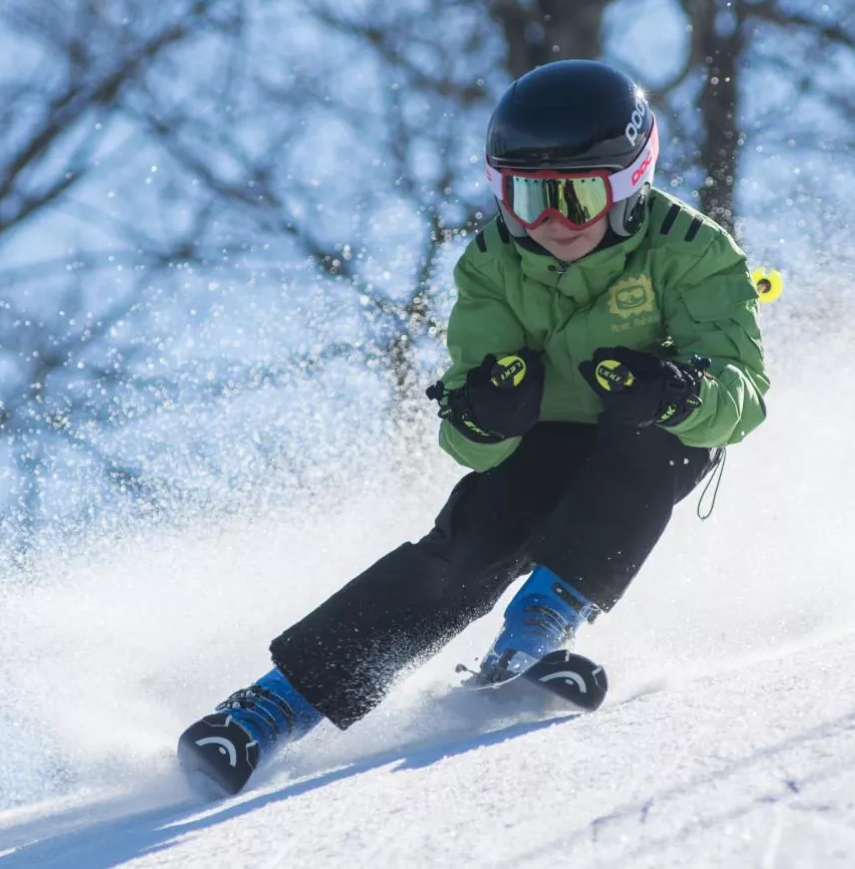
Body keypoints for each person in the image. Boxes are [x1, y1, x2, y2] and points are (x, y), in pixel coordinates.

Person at [178, 59, 770, 797]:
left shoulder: (693, 249)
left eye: (575, 197)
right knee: (472, 541)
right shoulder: (492, 262)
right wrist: (485, 413)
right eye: (525, 197)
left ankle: (535, 632)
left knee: (655, 444)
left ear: (628, 187)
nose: (549, 222)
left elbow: (744, 395)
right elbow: (466, 437)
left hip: (647, 432)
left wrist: (680, 391)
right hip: (546, 438)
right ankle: (271, 708)